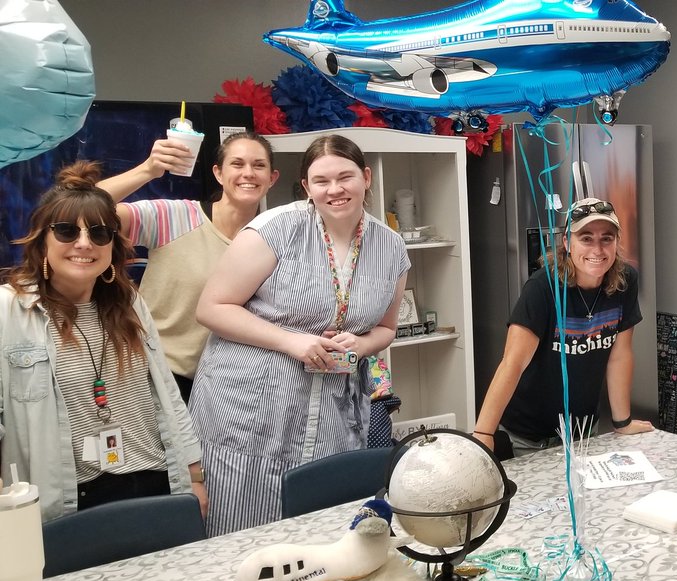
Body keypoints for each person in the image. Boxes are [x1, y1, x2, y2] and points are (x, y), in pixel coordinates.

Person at [189, 134, 409, 536]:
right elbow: (212, 308)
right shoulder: (275, 229)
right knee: (245, 522)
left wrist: (361, 345)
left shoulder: (391, 246)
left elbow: (387, 329)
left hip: (333, 410)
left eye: (345, 177)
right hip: (252, 407)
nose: (335, 189)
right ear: (306, 187)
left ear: (366, 176)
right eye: (321, 181)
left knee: (318, 527)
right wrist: (293, 342)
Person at [0, 161, 206, 522]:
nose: (84, 243)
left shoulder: (129, 303)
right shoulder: (9, 310)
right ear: (41, 239)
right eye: (66, 231)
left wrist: (194, 475)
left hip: (154, 481)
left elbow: (167, 395)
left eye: (99, 233)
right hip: (67, 500)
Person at [97, 132, 280, 402]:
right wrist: (148, 170)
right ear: (218, 173)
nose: (248, 173)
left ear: (272, 178)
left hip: (228, 387)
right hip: (154, 376)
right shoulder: (176, 217)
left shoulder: (276, 239)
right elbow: (85, 210)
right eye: (237, 164)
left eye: (259, 165)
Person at [472, 197, 653, 458]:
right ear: (567, 243)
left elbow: (619, 355)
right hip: (527, 437)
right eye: (586, 238)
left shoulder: (625, 281)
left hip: (581, 431)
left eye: (607, 238)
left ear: (617, 243)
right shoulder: (543, 288)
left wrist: (622, 423)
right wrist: (483, 434)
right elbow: (513, 362)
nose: (598, 249)